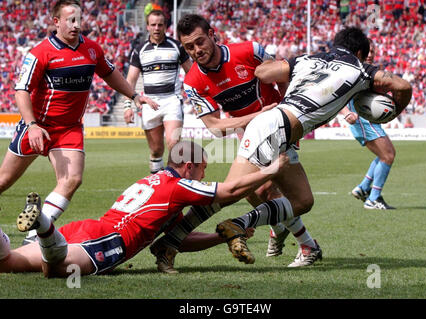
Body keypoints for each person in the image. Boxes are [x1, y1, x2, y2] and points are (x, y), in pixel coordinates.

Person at [214, 27, 412, 265]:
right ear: (360, 52)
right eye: (366, 55)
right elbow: (402, 86)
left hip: (279, 126)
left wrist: (287, 73)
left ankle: (303, 243)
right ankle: (179, 229)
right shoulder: (360, 70)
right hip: (275, 124)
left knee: (293, 198)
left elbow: (263, 72)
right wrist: (392, 113)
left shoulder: (310, 59)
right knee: (242, 192)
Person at [150, 14, 318, 269]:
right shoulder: (193, 81)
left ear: (212, 34)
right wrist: (255, 118)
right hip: (251, 134)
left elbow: (283, 76)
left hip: (279, 130)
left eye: (200, 42)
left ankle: (174, 240)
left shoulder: (250, 51)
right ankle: (301, 241)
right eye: (189, 47)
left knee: (257, 193)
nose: (197, 50)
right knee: (255, 191)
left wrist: (288, 113)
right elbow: (215, 127)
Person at [0, 140, 289, 277]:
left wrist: (220, 237)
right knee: (56, 271)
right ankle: (43, 225)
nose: (202, 176)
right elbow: (230, 190)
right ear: (188, 167)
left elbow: (175, 240)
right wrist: (273, 168)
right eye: (202, 169)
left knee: (7, 262)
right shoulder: (179, 186)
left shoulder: (153, 180)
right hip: (107, 242)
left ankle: (44, 229)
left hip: (85, 229)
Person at [0, 0, 154, 245]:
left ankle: (33, 236)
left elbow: (109, 73)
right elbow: (21, 90)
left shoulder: (92, 49)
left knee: (72, 179)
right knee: (3, 181)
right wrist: (32, 125)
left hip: (69, 128)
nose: (76, 25)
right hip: (37, 126)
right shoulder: (40, 52)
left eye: (79, 20)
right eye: (70, 20)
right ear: (56, 22)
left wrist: (134, 95)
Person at [124, 10, 192, 174]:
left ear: (165, 26)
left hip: (172, 100)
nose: (157, 28)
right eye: (153, 24)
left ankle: (176, 184)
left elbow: (191, 73)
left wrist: (196, 98)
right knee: (156, 150)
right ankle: (158, 184)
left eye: (160, 24)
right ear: (147, 26)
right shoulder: (140, 50)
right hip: (149, 103)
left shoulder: (177, 47)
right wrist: (128, 105)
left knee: (173, 143)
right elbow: (130, 80)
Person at [340, 39, 397, 210]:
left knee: (384, 155)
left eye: (373, 51)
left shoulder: (369, 70)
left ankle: (363, 188)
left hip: (368, 121)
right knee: (388, 155)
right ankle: (373, 198)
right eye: (368, 51)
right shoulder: (354, 70)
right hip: (361, 121)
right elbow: (338, 94)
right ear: (359, 51)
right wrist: (346, 113)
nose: (371, 54)